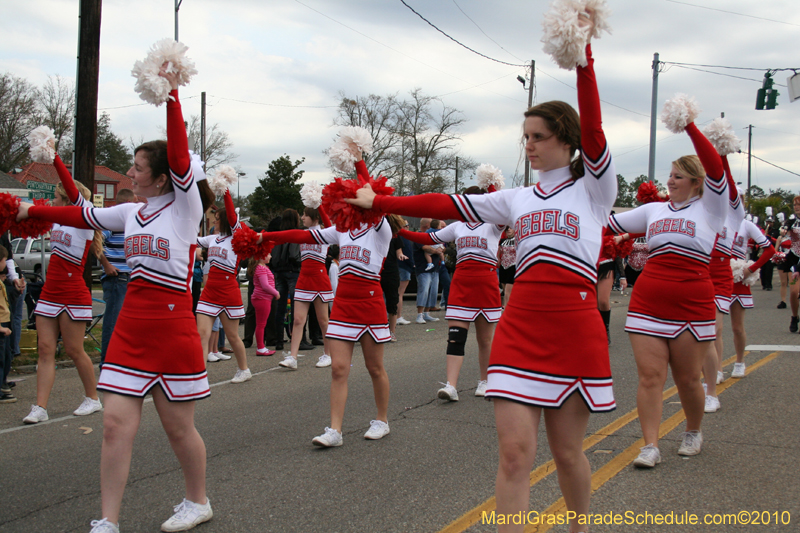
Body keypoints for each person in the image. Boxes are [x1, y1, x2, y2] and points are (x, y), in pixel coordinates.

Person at [347, 39, 617, 533]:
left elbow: (596, 130)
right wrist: (381, 204)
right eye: (525, 136)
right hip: (521, 327)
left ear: (565, 139)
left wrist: (583, 60)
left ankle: (580, 527)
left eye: (537, 135)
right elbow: (445, 205)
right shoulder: (515, 198)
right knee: (514, 454)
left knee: (567, 453)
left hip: (574, 329)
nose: (528, 144)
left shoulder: (595, 189)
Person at [18, 64, 216, 532]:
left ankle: (198, 500)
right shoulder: (130, 212)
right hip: (130, 327)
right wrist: (30, 209)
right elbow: (81, 210)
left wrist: (170, 95)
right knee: (113, 425)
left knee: (177, 428)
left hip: (172, 329)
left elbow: (182, 157)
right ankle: (107, 520)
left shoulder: (186, 210)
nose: (129, 171)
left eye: (137, 167)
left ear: (163, 178)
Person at [608, 111, 737, 468]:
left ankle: (692, 430)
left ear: (697, 182)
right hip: (649, 299)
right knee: (650, 376)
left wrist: (690, 126)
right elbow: (604, 222)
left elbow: (715, 168)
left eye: (678, 176)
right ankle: (650, 444)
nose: (670, 181)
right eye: (669, 175)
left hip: (692, 301)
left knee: (687, 379)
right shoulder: (652, 210)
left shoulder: (712, 208)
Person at [253, 153, 392, 448]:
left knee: (374, 368)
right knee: (338, 368)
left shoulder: (381, 229)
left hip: (370, 302)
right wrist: (265, 235)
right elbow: (303, 234)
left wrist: (358, 161)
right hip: (344, 304)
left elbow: (371, 194)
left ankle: (382, 419)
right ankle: (335, 430)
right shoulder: (341, 231)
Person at [398, 186, 503, 400]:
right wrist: (400, 231)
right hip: (462, 283)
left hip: (486, 282)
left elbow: (502, 207)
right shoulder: (458, 227)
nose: (471, 205)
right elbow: (429, 238)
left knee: (485, 339)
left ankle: (485, 381)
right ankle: (451, 386)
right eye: (468, 200)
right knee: (456, 337)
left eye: (476, 201)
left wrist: (491, 189)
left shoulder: (494, 224)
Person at [21, 153, 103, 425]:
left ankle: (92, 398)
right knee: (46, 349)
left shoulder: (84, 218)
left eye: (57, 197)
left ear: (68, 198)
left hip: (73, 291)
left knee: (73, 349)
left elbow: (70, 187)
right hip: (50, 291)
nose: (53, 201)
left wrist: (53, 156)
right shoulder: (56, 220)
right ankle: (40, 406)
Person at [196, 192, 250, 382]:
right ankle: (200, 376)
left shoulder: (236, 237)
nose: (214, 222)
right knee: (201, 333)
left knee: (233, 335)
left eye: (217, 219)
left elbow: (233, 216)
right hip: (209, 291)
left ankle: (244, 369)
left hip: (228, 290)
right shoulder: (212, 239)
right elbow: (191, 240)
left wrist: (225, 189)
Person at [278, 207, 333, 370]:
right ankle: (292, 357)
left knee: (323, 321)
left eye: (305, 215)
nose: (302, 218)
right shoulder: (302, 233)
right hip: (303, 279)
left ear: (315, 217)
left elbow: (328, 222)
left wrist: (319, 204)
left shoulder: (325, 233)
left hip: (319, 278)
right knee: (297, 320)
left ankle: (328, 354)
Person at [730, 215, 775, 377]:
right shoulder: (714, 220)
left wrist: (751, 268)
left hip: (738, 278)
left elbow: (770, 249)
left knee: (737, 327)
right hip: (717, 278)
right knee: (714, 329)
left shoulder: (746, 225)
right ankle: (716, 370)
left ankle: (740, 362)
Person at [98, 188, 136, 367]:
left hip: (128, 276)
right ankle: (107, 362)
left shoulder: (128, 223)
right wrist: (106, 264)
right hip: (117, 276)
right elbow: (95, 239)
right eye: (134, 203)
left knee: (126, 322)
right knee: (113, 320)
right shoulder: (114, 221)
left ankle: (120, 359)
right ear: (127, 203)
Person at [271, 210, 303, 351]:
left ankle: (279, 340)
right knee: (297, 306)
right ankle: (298, 339)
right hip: (293, 271)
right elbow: (294, 255)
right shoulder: (295, 234)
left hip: (279, 271)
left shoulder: (279, 235)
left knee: (280, 307)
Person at [249, 253, 279, 356]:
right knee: (261, 324)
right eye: (268, 254)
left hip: (264, 298)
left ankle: (261, 346)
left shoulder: (263, 267)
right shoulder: (261, 268)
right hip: (262, 298)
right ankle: (260, 347)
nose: (270, 256)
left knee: (261, 323)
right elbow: (265, 285)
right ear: (262, 256)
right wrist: (276, 293)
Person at [412, 218, 440, 324]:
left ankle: (427, 313)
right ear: (428, 225)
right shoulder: (419, 236)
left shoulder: (431, 236)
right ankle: (419, 314)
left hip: (435, 269)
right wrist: (438, 251)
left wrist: (440, 250)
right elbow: (426, 248)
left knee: (432, 292)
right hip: (423, 269)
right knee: (423, 291)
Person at [382, 215, 404, 342]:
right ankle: (377, 330)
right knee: (376, 302)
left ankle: (392, 332)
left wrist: (401, 256)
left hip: (391, 272)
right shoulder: (374, 234)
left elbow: (399, 251)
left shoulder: (395, 236)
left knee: (392, 301)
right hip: (377, 271)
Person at [780, 198, 800, 331]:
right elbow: (785, 232)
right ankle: (794, 316)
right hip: (796, 264)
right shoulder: (792, 223)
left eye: (799, 204)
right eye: (795, 205)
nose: (796, 207)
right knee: (793, 292)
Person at [0, 247, 17, 404]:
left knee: (6, 355)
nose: (5, 264)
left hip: (5, 320)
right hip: (0, 325)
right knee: (1, 358)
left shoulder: (1, 282)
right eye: (3, 260)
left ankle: (3, 381)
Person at [395, 222, 415, 325]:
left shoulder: (393, 236)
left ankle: (391, 315)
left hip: (394, 266)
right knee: (400, 293)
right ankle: (398, 317)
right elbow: (408, 253)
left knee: (392, 292)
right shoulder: (405, 238)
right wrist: (412, 265)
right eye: (406, 225)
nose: (408, 226)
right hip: (404, 266)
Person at [497, 226, 515, 308]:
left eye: (511, 228)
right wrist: (497, 259)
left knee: (508, 290)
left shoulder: (517, 241)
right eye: (507, 228)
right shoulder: (502, 241)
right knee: (505, 290)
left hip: (513, 266)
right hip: (503, 266)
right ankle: (509, 305)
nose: (509, 230)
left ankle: (507, 307)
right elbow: (499, 252)